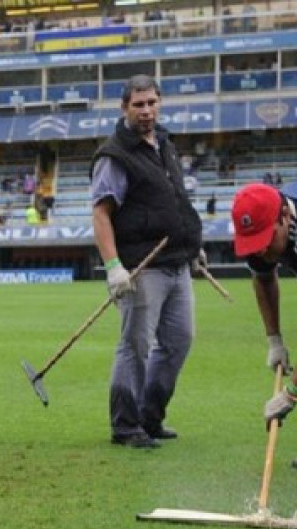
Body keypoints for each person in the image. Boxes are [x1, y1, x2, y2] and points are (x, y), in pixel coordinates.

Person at [90, 74, 203, 449]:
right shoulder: (115, 155)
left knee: (179, 341)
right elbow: (102, 214)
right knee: (135, 345)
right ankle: (125, 426)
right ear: (124, 108)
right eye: (138, 104)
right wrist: (112, 267)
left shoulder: (165, 144)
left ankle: (150, 416)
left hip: (177, 262)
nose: (146, 110)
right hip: (142, 267)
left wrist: (192, 243)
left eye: (152, 102)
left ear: (160, 103)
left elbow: (175, 198)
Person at [230, 180, 297, 468]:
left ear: (285, 218)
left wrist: (292, 393)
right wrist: (274, 339)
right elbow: (263, 278)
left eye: (266, 241)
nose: (261, 252)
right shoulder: (266, 216)